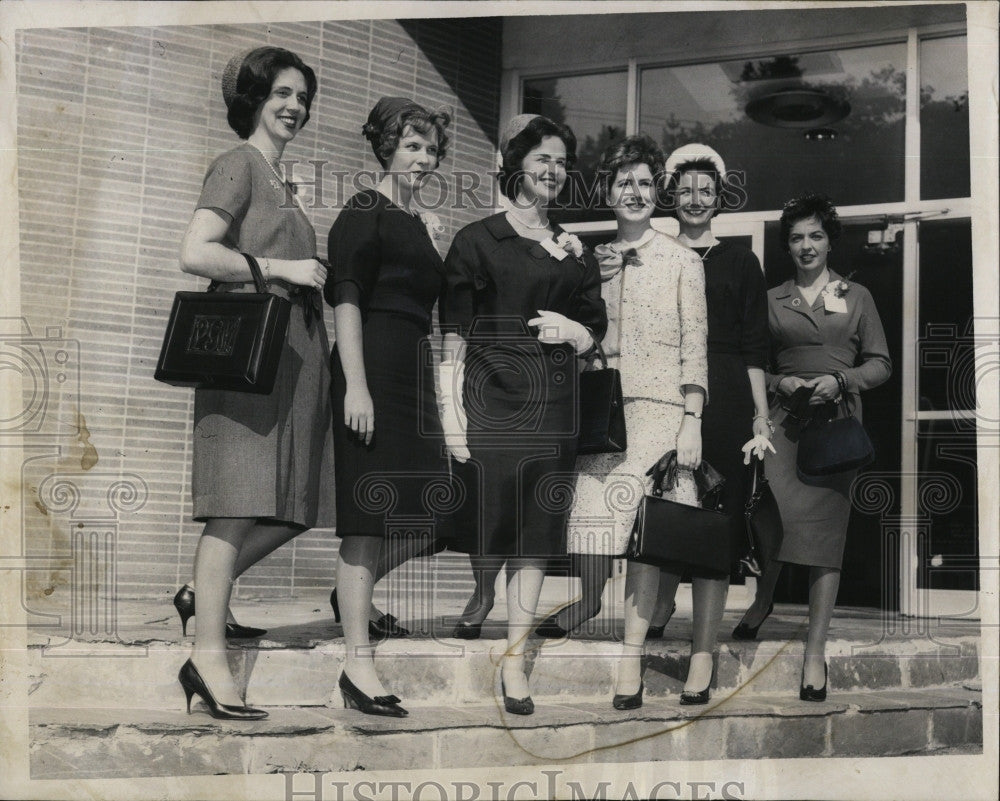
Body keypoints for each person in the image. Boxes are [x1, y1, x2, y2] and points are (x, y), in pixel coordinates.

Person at [175, 46, 335, 720]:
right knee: (237, 504)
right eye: (282, 94)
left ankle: (201, 593)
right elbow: (196, 251)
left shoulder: (279, 177)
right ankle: (206, 657)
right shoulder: (238, 163)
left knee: (294, 503)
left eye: (302, 96)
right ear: (254, 98)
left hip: (291, 364)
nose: (294, 106)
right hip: (246, 360)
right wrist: (285, 270)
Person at [440, 114, 607, 715]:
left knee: (537, 531)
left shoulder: (573, 248)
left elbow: (597, 330)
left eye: (562, 162)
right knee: (494, 518)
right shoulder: (477, 239)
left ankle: (514, 659)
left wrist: (576, 333)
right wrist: (450, 414)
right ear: (516, 164)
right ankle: (483, 596)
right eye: (543, 159)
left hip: (554, 404)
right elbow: (454, 335)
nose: (554, 171)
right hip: (492, 398)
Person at [552, 135, 708, 709]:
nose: (635, 193)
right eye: (624, 183)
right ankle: (590, 599)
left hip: (663, 415)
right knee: (595, 526)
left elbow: (696, 346)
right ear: (608, 193)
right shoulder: (590, 260)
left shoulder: (684, 261)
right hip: (604, 414)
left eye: (645, 183)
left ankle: (631, 657)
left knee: (646, 538)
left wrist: (692, 418)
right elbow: (579, 334)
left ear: (656, 192)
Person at [733, 193, 890, 700]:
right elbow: (757, 360)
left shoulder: (857, 294)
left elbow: (881, 363)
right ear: (787, 245)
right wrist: (780, 385)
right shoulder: (772, 296)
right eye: (797, 237)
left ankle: (815, 653)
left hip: (835, 426)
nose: (806, 245)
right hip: (783, 421)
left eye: (816, 235)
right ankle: (763, 601)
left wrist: (842, 382)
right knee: (769, 517)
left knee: (825, 538)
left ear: (830, 241)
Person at [632, 144, 774, 702]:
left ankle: (702, 654)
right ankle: (659, 608)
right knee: (666, 509)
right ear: (672, 196)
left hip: (728, 397)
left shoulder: (742, 261)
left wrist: (759, 416)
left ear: (719, 199)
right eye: (686, 190)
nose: (695, 199)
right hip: (667, 394)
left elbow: (754, 346)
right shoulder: (655, 253)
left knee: (716, 525)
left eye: (706, 191)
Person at [325, 97, 451, 718]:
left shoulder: (422, 223)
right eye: (412, 145)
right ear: (386, 147)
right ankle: (356, 663)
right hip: (370, 366)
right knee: (367, 519)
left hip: (414, 373)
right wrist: (355, 385)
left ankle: (353, 592)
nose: (423, 158)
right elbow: (346, 300)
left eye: (430, 149)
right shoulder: (363, 211)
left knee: (433, 517)